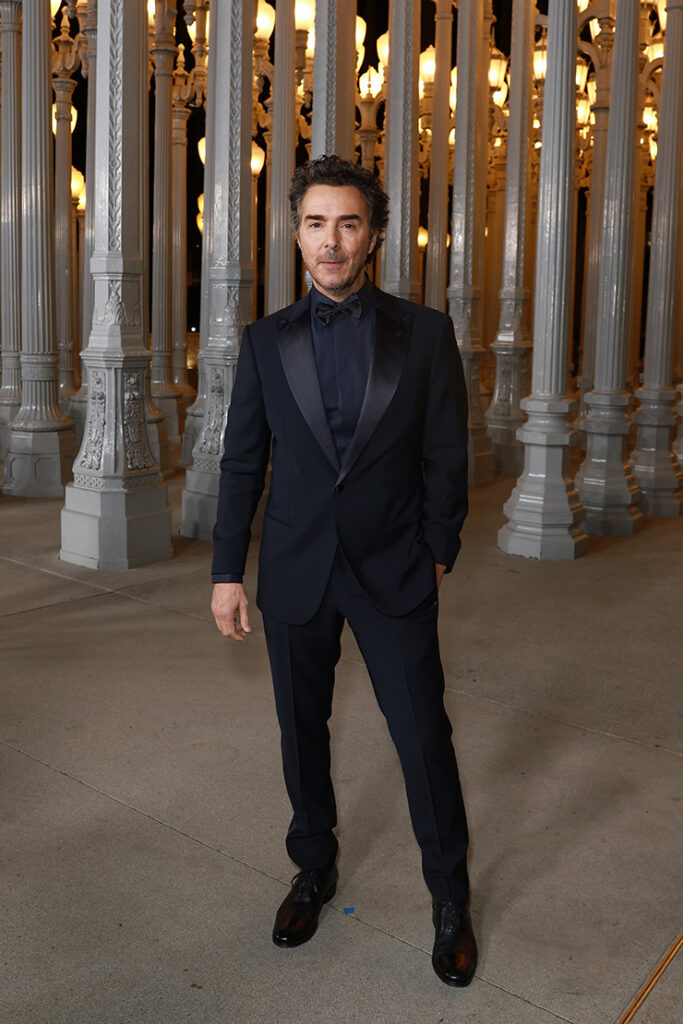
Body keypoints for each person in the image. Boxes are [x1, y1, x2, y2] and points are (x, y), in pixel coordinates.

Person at [211, 155, 477, 987]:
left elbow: (446, 455)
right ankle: (313, 867)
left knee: (421, 736)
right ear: (296, 236)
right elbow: (241, 462)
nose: (332, 240)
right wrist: (226, 571)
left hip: (394, 567)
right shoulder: (264, 340)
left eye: (349, 223)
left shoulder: (426, 334)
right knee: (301, 731)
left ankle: (449, 897)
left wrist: (437, 547)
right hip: (294, 568)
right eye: (317, 223)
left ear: (374, 236)